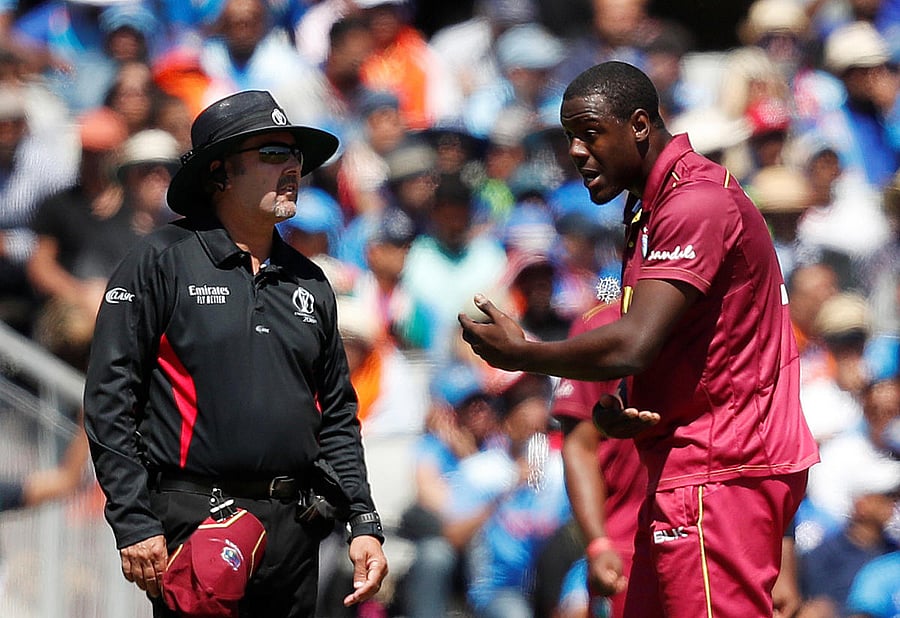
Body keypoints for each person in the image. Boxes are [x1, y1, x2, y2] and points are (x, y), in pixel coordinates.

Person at [458, 61, 820, 617]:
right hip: (693, 464)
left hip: (717, 465)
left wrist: (525, 353)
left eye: (591, 132)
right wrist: (630, 405)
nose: (577, 151)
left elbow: (634, 343)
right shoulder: (651, 206)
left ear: (640, 125)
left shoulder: (695, 202)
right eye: (569, 136)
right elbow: (684, 343)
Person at [82, 90, 388, 617]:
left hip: (295, 526)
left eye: (294, 155)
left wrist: (362, 520)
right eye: (273, 154)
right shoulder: (160, 260)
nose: (291, 167)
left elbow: (338, 415)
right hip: (195, 518)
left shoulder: (311, 280)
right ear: (219, 173)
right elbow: (109, 397)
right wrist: (134, 519)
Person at [551, 298, 646, 618]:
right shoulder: (600, 324)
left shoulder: (722, 312)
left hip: (718, 534)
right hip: (629, 548)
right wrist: (598, 543)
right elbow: (579, 445)